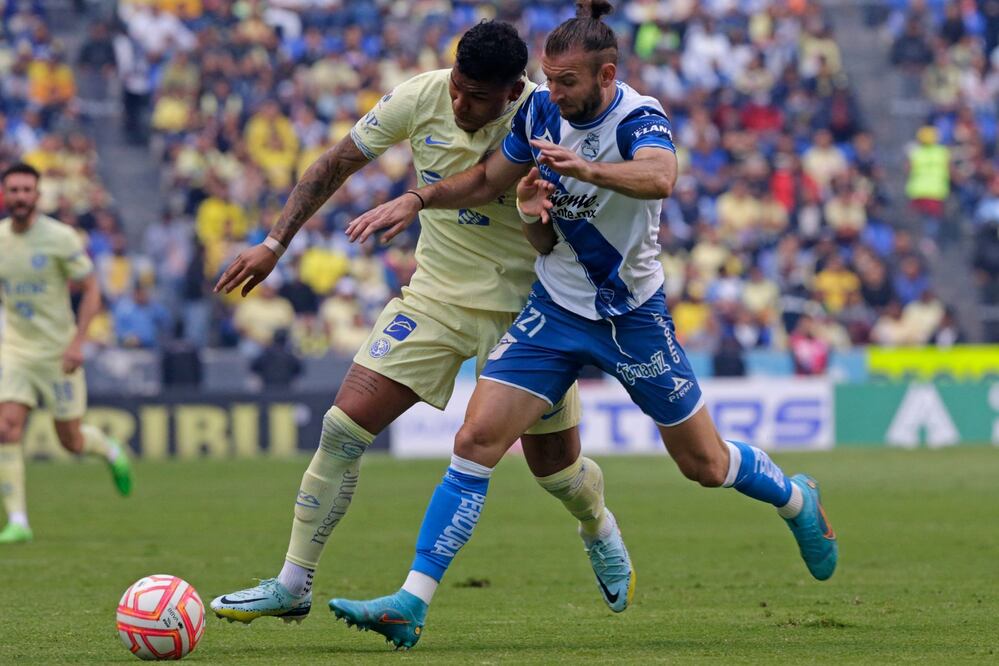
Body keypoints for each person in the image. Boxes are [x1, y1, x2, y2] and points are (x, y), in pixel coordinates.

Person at [330, 1, 838, 649]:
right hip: (554, 311)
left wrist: (587, 170)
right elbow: (491, 176)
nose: (552, 91)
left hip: (632, 318)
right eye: (547, 77)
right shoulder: (541, 111)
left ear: (605, 75)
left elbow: (660, 176)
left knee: (704, 465)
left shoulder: (638, 114)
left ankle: (795, 499)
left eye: (565, 81)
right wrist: (428, 198)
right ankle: (412, 600)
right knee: (476, 439)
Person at [210, 19, 630, 625]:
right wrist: (275, 244)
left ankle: (599, 526)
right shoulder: (421, 95)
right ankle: (292, 582)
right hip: (436, 295)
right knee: (342, 428)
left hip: (528, 309)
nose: (459, 103)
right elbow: (335, 164)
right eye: (458, 87)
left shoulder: (546, 117)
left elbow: (568, 152)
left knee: (556, 472)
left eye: (477, 97)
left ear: (513, 92)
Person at [0, 163, 132, 545]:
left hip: (58, 352)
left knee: (70, 441)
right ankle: (19, 521)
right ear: (5, 195)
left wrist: (78, 341)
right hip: (16, 351)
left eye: (28, 190)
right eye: (15, 190)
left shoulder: (60, 238)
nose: (22, 197)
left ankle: (109, 449)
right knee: (6, 426)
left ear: (38, 196)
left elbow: (92, 289)